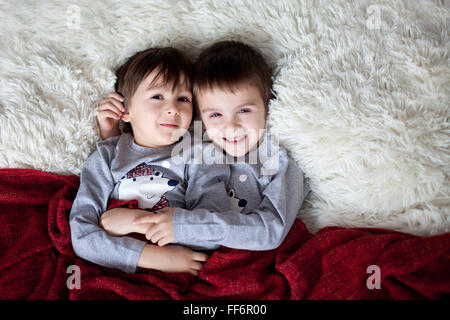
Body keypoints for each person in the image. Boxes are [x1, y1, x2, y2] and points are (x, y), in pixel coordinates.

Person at [99, 40, 309, 252]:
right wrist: (112, 133)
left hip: (246, 258)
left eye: (244, 111)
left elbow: (270, 231)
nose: (231, 126)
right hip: (182, 255)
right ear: (200, 117)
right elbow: (144, 152)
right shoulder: (193, 149)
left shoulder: (277, 163)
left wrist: (184, 226)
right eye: (216, 114)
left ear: (268, 109)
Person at [69, 47, 230, 275]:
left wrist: (133, 221)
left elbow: (214, 228)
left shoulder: (199, 155)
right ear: (125, 110)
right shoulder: (107, 156)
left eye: (183, 99)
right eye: (157, 97)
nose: (173, 109)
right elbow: (82, 234)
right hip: (116, 263)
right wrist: (149, 254)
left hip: (178, 267)